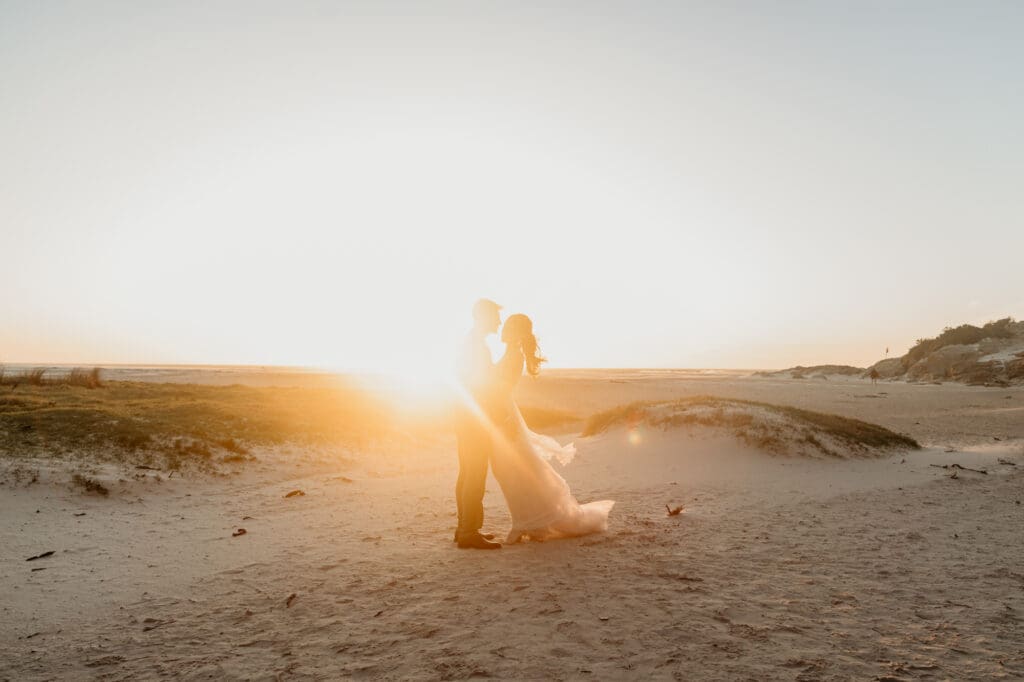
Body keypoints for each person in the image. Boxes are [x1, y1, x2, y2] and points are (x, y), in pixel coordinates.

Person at [488, 314, 614, 543]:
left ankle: (525, 523)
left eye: (510, 326)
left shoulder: (514, 356)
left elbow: (502, 390)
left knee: (514, 470)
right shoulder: (509, 354)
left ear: (518, 333)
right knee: (511, 470)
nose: (504, 329)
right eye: (506, 324)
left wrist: (503, 420)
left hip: (504, 415)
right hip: (502, 413)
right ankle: (532, 523)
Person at [453, 299, 503, 550]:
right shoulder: (476, 347)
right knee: (474, 473)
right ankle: (468, 532)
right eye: (495, 316)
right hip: (474, 417)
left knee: (467, 472)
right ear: (483, 317)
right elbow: (480, 386)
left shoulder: (472, 343)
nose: (499, 321)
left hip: (465, 416)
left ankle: (464, 527)